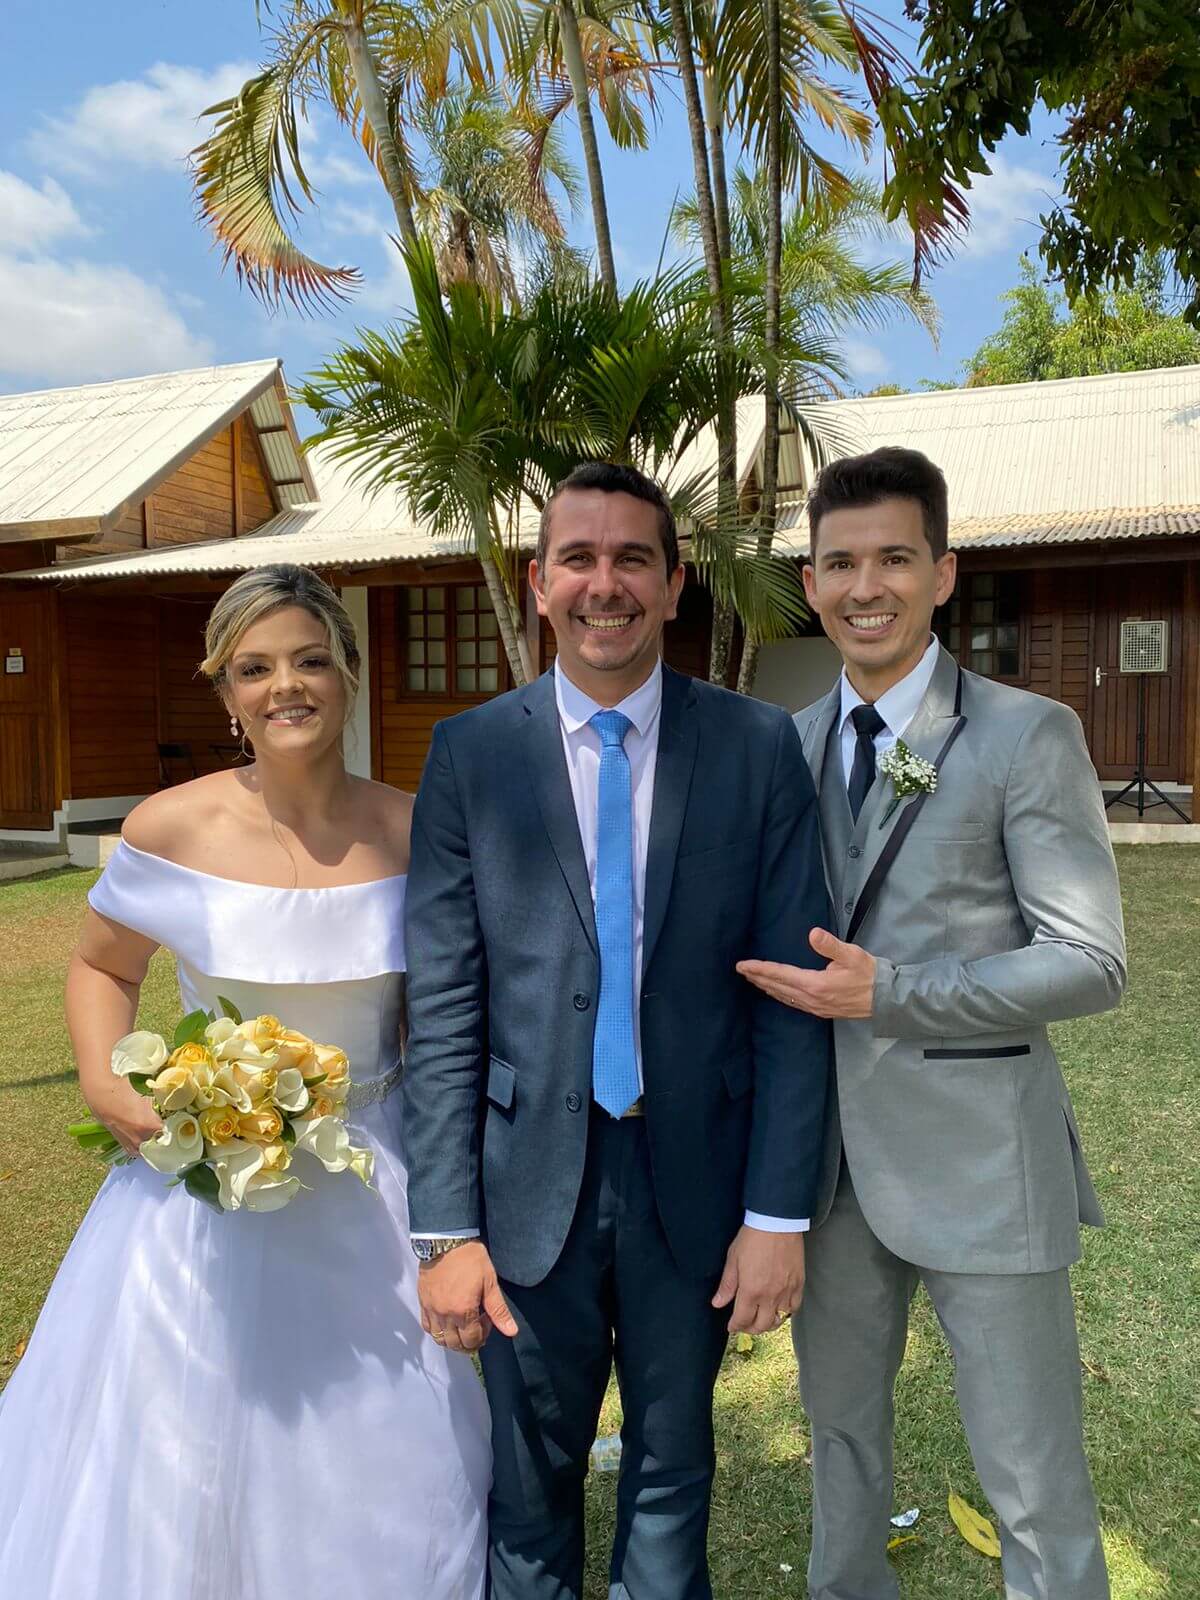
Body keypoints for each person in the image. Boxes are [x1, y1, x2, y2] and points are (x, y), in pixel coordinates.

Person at [0, 564, 490, 1599]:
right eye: (254, 668)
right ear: (224, 691)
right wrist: (104, 1081)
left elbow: (449, 1013)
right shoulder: (169, 827)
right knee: (184, 1438)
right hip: (201, 1197)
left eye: (310, 660)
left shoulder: (416, 827)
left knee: (381, 1438)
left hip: (373, 1174)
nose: (285, 687)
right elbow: (101, 966)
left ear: (349, 674)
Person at [401, 461, 832, 1599]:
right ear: (538, 583)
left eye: (633, 558)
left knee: (673, 1471)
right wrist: (443, 1231)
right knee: (526, 1489)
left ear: (676, 584)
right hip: (521, 1182)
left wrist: (776, 1214)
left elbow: (793, 995)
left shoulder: (754, 747)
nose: (606, 584)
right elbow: (442, 1004)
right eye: (579, 559)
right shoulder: (469, 753)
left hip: (694, 1175)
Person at [739, 447, 1125, 1600]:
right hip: (827, 1173)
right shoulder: (782, 744)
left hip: (985, 1163)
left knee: (1033, 1478)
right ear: (811, 581)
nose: (867, 587)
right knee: (840, 1453)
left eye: (895, 559)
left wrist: (896, 992)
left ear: (944, 573)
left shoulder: (1025, 732)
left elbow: (1090, 961)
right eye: (841, 563)